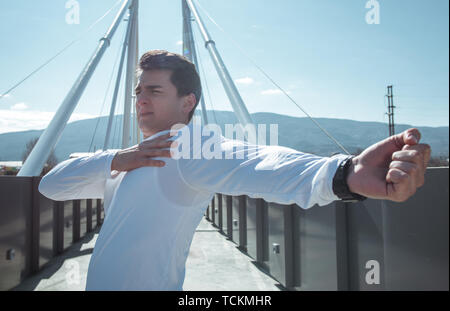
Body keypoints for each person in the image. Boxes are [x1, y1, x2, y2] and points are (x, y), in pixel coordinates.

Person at [38, 50, 431, 290]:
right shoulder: (125, 157)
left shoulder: (189, 146)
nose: (141, 99)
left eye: (154, 90)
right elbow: (51, 186)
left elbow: (258, 161)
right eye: (138, 91)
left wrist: (344, 174)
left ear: (187, 101)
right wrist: (118, 159)